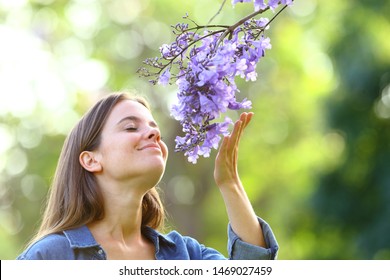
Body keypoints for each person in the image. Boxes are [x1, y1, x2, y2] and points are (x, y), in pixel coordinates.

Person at [17, 92, 278, 260]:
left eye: (155, 130)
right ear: (91, 159)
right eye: (131, 127)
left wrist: (229, 183)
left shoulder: (185, 254)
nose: (154, 134)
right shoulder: (50, 256)